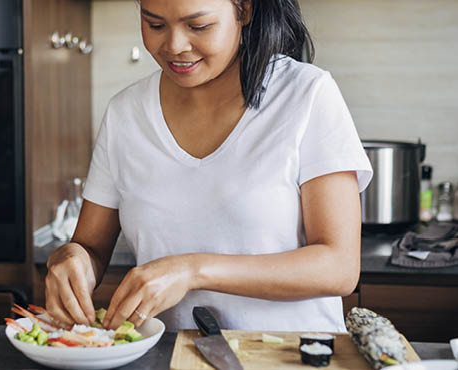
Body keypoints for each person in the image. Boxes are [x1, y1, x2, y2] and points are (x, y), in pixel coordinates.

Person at [45, 0, 373, 332]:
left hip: (291, 358)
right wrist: (71, 259)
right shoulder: (125, 113)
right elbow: (90, 247)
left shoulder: (306, 94)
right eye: (155, 25)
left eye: (198, 26)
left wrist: (193, 271)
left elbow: (340, 267)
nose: (174, 46)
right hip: (169, 357)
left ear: (243, 10)